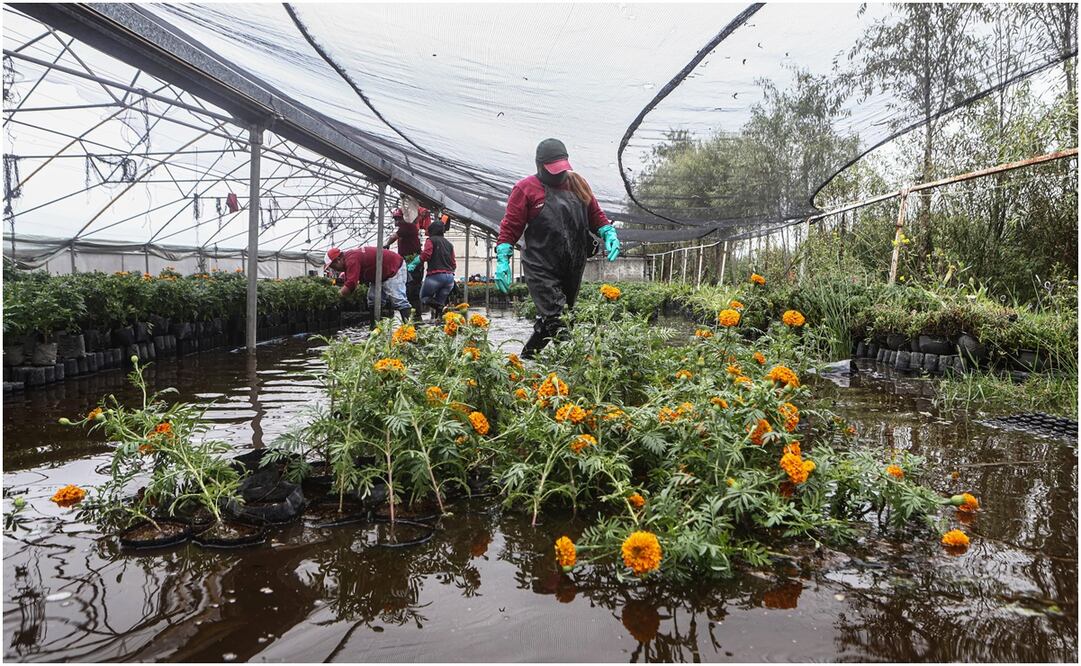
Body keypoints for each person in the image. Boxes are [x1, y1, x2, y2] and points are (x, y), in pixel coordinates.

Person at [494, 138, 621, 358]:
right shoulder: (525, 189)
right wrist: (503, 257)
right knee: (557, 316)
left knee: (558, 315)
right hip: (540, 264)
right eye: (552, 170)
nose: (558, 174)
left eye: (562, 169)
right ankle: (576, 364)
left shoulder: (578, 183)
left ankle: (526, 359)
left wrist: (608, 232)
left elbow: (595, 216)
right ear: (539, 165)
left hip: (573, 262)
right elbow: (510, 227)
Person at [324, 246, 412, 323]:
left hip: (394, 267)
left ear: (338, 260)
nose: (335, 270)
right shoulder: (349, 258)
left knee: (398, 299)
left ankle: (409, 329)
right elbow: (349, 282)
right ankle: (375, 328)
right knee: (373, 299)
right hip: (379, 274)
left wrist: (336, 297)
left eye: (333, 267)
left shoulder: (351, 259)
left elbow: (351, 284)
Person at [384, 206, 427, 313]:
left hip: (412, 261)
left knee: (412, 288)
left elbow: (393, 237)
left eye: (398, 219)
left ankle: (414, 314)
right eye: (395, 219)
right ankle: (413, 313)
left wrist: (386, 245)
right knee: (410, 287)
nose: (397, 221)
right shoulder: (406, 228)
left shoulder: (407, 227)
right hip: (408, 261)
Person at [418, 219, 458, 321]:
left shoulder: (430, 240)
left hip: (435, 276)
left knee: (425, 297)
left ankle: (441, 309)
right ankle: (440, 325)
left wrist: (416, 261)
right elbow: (453, 263)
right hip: (449, 278)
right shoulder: (449, 244)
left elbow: (426, 255)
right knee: (440, 302)